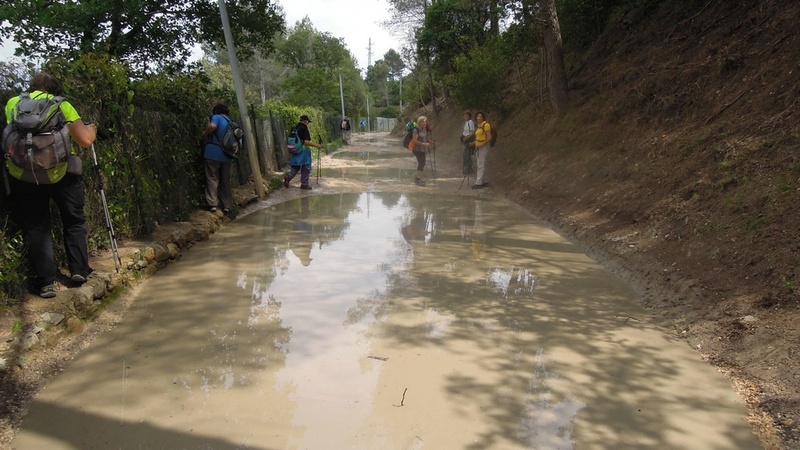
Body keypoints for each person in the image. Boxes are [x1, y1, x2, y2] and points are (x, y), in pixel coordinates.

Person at [4, 72, 97, 298]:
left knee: (36, 227)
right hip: (60, 173)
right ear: (55, 90)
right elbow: (84, 140)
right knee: (73, 220)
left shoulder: (13, 104)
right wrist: (92, 129)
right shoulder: (62, 105)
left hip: (24, 175)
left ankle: (46, 282)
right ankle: (79, 270)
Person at [201, 102, 234, 213]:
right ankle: (226, 205)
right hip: (227, 155)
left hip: (213, 153)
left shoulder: (217, 117)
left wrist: (205, 133)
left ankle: (212, 204)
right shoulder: (230, 121)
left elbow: (212, 126)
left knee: (212, 177)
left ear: (216, 111)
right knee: (225, 180)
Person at [284, 114, 323, 190]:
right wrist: (316, 145)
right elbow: (306, 142)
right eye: (308, 122)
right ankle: (304, 184)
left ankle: (288, 177)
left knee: (296, 166)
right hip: (303, 150)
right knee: (306, 166)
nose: (308, 124)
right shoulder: (304, 128)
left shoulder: (294, 128)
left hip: (295, 150)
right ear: (305, 121)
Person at [409, 115, 434, 186]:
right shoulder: (416, 130)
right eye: (422, 122)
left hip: (423, 149)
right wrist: (423, 144)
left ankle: (417, 179)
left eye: (425, 122)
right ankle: (417, 179)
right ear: (419, 123)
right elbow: (414, 140)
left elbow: (425, 138)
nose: (424, 123)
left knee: (422, 164)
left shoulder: (424, 130)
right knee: (421, 164)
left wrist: (430, 142)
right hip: (417, 149)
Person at [471, 111, 492, 189]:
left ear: (483, 118)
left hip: (483, 147)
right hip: (479, 147)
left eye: (480, 116)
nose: (478, 118)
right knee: (482, 163)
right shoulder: (479, 126)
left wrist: (481, 145)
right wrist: (473, 143)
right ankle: (483, 181)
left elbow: (489, 138)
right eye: (477, 116)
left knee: (480, 164)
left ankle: (479, 182)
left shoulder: (486, 125)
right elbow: (478, 138)